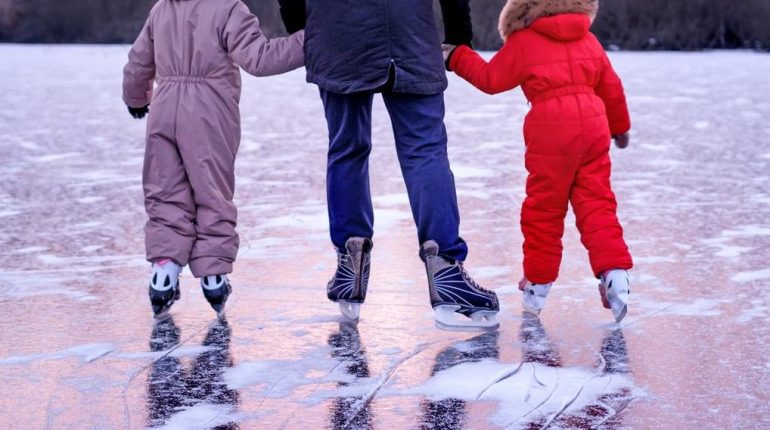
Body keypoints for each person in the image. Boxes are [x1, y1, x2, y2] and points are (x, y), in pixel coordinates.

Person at [278, 0, 500, 331]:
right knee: (425, 150)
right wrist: (459, 34)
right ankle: (447, 272)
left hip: (336, 33)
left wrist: (304, 29)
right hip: (409, 31)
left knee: (346, 148)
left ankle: (349, 266)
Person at [444, 0, 632, 322]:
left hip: (550, 130)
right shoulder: (588, 39)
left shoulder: (524, 42)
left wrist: (455, 55)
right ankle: (615, 276)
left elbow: (491, 79)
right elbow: (611, 87)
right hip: (593, 125)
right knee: (598, 205)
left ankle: (538, 284)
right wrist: (621, 127)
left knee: (544, 210)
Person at [123, 0, 304, 316]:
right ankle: (213, 276)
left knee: (164, 194)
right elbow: (260, 59)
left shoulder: (162, 9)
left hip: (164, 111)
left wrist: (136, 97)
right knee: (212, 194)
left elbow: (139, 60)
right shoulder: (229, 9)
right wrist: (312, 40)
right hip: (209, 114)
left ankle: (163, 273)